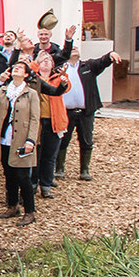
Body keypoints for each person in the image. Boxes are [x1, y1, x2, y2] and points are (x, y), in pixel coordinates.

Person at [0, 61, 41, 227]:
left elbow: (34, 118)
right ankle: (12, 206)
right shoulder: (4, 90)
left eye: (20, 68)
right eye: (14, 67)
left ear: (25, 74)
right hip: (4, 137)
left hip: (22, 138)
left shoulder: (30, 93)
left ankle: (29, 211)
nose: (16, 69)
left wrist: (31, 140)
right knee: (8, 174)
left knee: (23, 176)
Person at [57, 41, 122, 182]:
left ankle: (84, 169)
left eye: (76, 48)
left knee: (86, 140)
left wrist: (110, 54)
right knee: (63, 140)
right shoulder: (59, 68)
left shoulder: (88, 66)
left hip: (86, 112)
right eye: (71, 48)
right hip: (66, 111)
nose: (74, 50)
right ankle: (59, 168)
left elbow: (102, 61)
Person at [33, 53, 70, 199]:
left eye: (49, 60)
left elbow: (66, 87)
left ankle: (46, 185)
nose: (46, 62)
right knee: (36, 154)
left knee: (50, 155)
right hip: (38, 121)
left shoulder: (57, 77)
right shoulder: (33, 78)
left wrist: (63, 78)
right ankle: (33, 183)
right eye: (43, 60)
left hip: (54, 121)